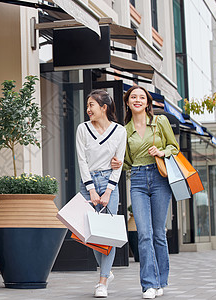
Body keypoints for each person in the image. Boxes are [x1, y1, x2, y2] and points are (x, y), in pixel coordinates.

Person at [113, 85, 179, 299]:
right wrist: (117, 163)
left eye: (142, 97)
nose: (138, 100)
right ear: (128, 102)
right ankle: (149, 284)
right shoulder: (124, 130)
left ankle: (161, 281)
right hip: (139, 179)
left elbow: (174, 148)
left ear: (148, 102)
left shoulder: (160, 122)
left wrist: (161, 151)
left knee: (159, 233)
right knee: (144, 234)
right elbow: (126, 162)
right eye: (134, 97)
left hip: (160, 178)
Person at [76, 90, 127, 298]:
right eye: (87, 106)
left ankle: (102, 281)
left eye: (91, 105)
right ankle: (107, 270)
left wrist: (107, 192)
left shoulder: (119, 131)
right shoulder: (83, 129)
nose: (88, 110)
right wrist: (91, 189)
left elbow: (119, 163)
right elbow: (81, 160)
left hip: (109, 183)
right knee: (89, 235)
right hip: (88, 183)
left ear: (104, 107)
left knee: (108, 235)